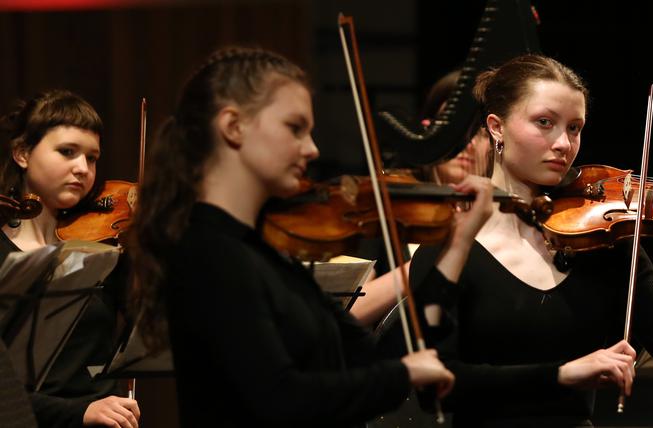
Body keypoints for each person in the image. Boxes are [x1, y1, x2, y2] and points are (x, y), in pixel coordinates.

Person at [128, 46, 458, 427]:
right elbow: (282, 401)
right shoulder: (209, 252)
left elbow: (383, 362)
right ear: (233, 126)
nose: (312, 148)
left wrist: (454, 250)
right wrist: (403, 374)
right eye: (295, 128)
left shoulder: (268, 253)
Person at [408, 54, 653, 427]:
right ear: (496, 127)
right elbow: (435, 389)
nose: (563, 144)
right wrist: (562, 374)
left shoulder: (604, 242)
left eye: (574, 128)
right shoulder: (449, 248)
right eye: (545, 123)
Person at [0, 90, 141, 427]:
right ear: (22, 153)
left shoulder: (103, 250)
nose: (82, 168)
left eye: (91, 158)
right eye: (67, 152)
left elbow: (147, 330)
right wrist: (82, 413)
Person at [350, 70, 492, 328]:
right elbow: (347, 312)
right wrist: (432, 261)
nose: (465, 143)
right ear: (428, 132)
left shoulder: (505, 215)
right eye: (453, 128)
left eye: (479, 133)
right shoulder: (387, 205)